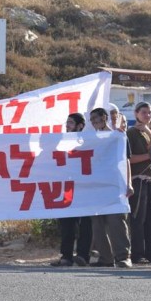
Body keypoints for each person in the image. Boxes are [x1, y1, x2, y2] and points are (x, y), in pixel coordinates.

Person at [89, 106, 133, 268]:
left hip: (115, 184)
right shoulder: (90, 139)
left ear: (105, 118)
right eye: (92, 120)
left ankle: (123, 256)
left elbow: (126, 161)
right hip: (96, 186)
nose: (94, 122)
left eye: (97, 118)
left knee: (117, 222)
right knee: (97, 223)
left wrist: (129, 183)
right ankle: (105, 258)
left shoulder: (118, 137)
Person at [51, 113, 92, 267]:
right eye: (67, 122)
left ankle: (83, 255)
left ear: (80, 126)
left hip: (85, 187)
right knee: (67, 223)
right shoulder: (61, 141)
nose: (67, 125)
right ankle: (66, 256)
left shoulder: (87, 140)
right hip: (67, 187)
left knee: (85, 223)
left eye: (71, 123)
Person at [127, 102, 151, 264]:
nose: (147, 115)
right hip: (138, 179)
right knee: (138, 218)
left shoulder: (148, 132)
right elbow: (129, 159)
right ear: (136, 113)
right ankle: (137, 253)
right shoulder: (131, 133)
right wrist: (148, 156)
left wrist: (149, 131)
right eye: (144, 112)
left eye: (149, 112)